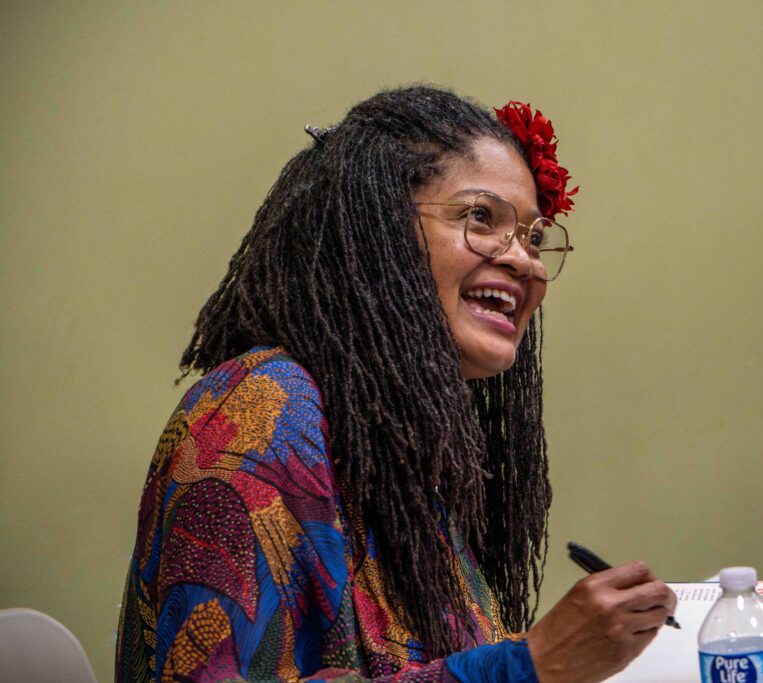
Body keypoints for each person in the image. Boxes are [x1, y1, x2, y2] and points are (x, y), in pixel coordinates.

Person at [115, 86, 677, 683]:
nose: (527, 262)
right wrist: (528, 666)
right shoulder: (259, 415)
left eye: (535, 237)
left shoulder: (394, 432)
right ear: (375, 229)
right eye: (481, 217)